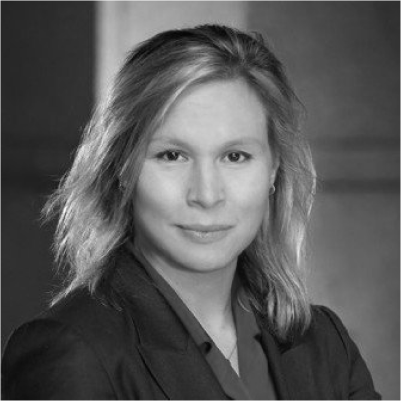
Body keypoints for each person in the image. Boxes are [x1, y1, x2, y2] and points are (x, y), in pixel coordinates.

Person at [1, 24, 380, 400]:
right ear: (122, 168)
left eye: (235, 156)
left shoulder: (325, 345)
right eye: (172, 155)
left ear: (273, 170)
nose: (206, 195)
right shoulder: (70, 352)